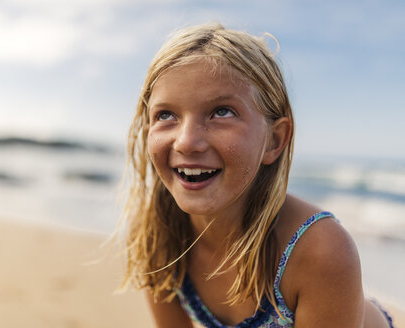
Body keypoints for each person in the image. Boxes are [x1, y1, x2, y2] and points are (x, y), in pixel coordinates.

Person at [118, 22, 394, 327]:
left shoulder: (320, 251)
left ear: (274, 140)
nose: (185, 141)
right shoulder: (160, 233)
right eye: (166, 115)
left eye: (221, 112)